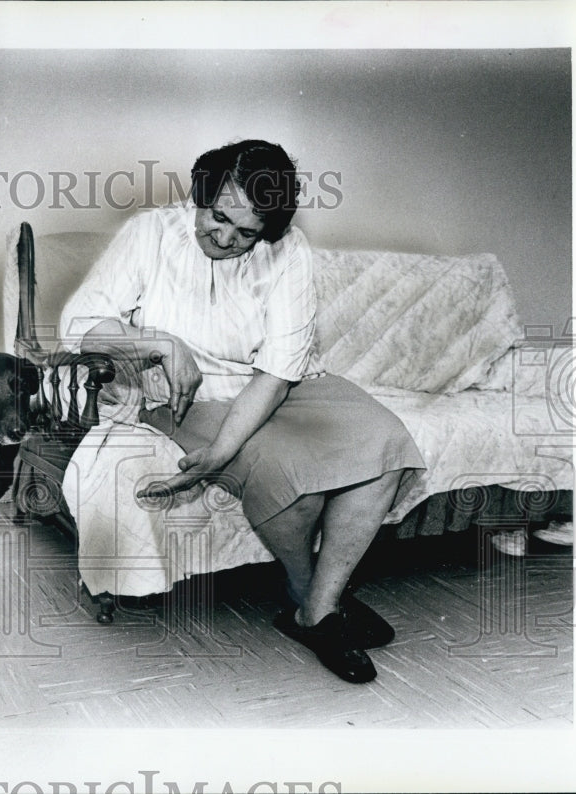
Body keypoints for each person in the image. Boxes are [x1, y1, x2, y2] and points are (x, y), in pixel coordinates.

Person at [59, 139, 425, 683]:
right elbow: (78, 325)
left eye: (246, 232)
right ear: (197, 195)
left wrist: (220, 455)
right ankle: (319, 606)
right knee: (288, 475)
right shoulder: (151, 233)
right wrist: (160, 342)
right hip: (190, 396)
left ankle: (316, 608)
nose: (225, 238)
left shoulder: (290, 250)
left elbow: (278, 371)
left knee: (384, 442)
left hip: (279, 385)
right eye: (218, 216)